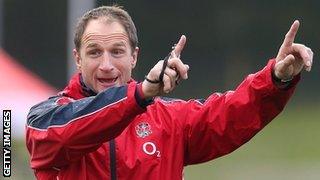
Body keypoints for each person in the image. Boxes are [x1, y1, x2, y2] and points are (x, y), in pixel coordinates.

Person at [26, 5, 313, 180]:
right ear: (77, 58)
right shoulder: (46, 118)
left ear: (134, 57)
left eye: (116, 52)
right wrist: (140, 95)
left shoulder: (168, 118)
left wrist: (275, 79)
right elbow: (67, 131)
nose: (106, 65)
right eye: (94, 52)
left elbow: (230, 114)